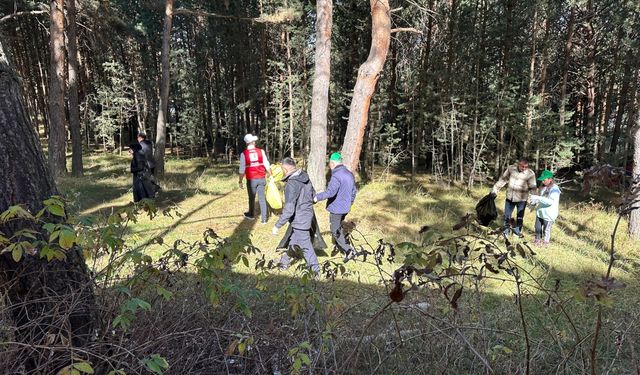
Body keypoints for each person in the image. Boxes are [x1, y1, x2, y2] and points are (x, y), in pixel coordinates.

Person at [272, 157, 320, 274]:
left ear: (285, 168)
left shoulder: (291, 184)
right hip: (307, 216)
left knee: (306, 247)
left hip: (300, 220)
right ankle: (284, 262)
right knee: (293, 241)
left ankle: (316, 272)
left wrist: (277, 225)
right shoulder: (304, 177)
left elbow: (289, 209)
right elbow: (314, 197)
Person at [314, 152, 358, 262]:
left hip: (337, 209)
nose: (329, 165)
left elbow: (330, 193)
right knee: (339, 226)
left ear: (332, 163)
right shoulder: (349, 173)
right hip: (345, 207)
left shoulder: (336, 175)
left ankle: (349, 251)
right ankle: (339, 244)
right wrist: (350, 203)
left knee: (334, 230)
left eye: (329, 163)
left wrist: (316, 198)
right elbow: (354, 191)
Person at [491, 158, 537, 237]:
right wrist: (496, 188)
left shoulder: (530, 174)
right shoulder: (511, 169)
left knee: (519, 217)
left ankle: (517, 232)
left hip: (522, 199)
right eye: (522, 166)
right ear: (518, 165)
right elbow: (503, 179)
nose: (524, 168)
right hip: (510, 198)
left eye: (526, 167)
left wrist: (534, 201)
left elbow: (533, 188)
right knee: (507, 216)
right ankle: (506, 232)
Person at [238, 134, 271, 223]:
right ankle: (264, 219)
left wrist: (240, 181)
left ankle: (251, 214)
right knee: (262, 198)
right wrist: (270, 174)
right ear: (252, 142)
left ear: (246, 143)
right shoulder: (261, 151)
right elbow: (266, 164)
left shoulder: (244, 154)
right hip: (261, 177)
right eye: (254, 141)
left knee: (251, 198)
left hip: (251, 179)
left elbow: (242, 170)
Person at [528, 170, 561, 246]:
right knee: (537, 227)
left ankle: (546, 243)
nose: (543, 181)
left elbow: (550, 202)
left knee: (546, 229)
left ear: (550, 179)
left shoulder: (555, 189)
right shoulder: (542, 187)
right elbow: (540, 198)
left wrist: (538, 198)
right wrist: (533, 202)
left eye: (544, 179)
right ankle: (537, 240)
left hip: (549, 214)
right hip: (540, 212)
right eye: (542, 179)